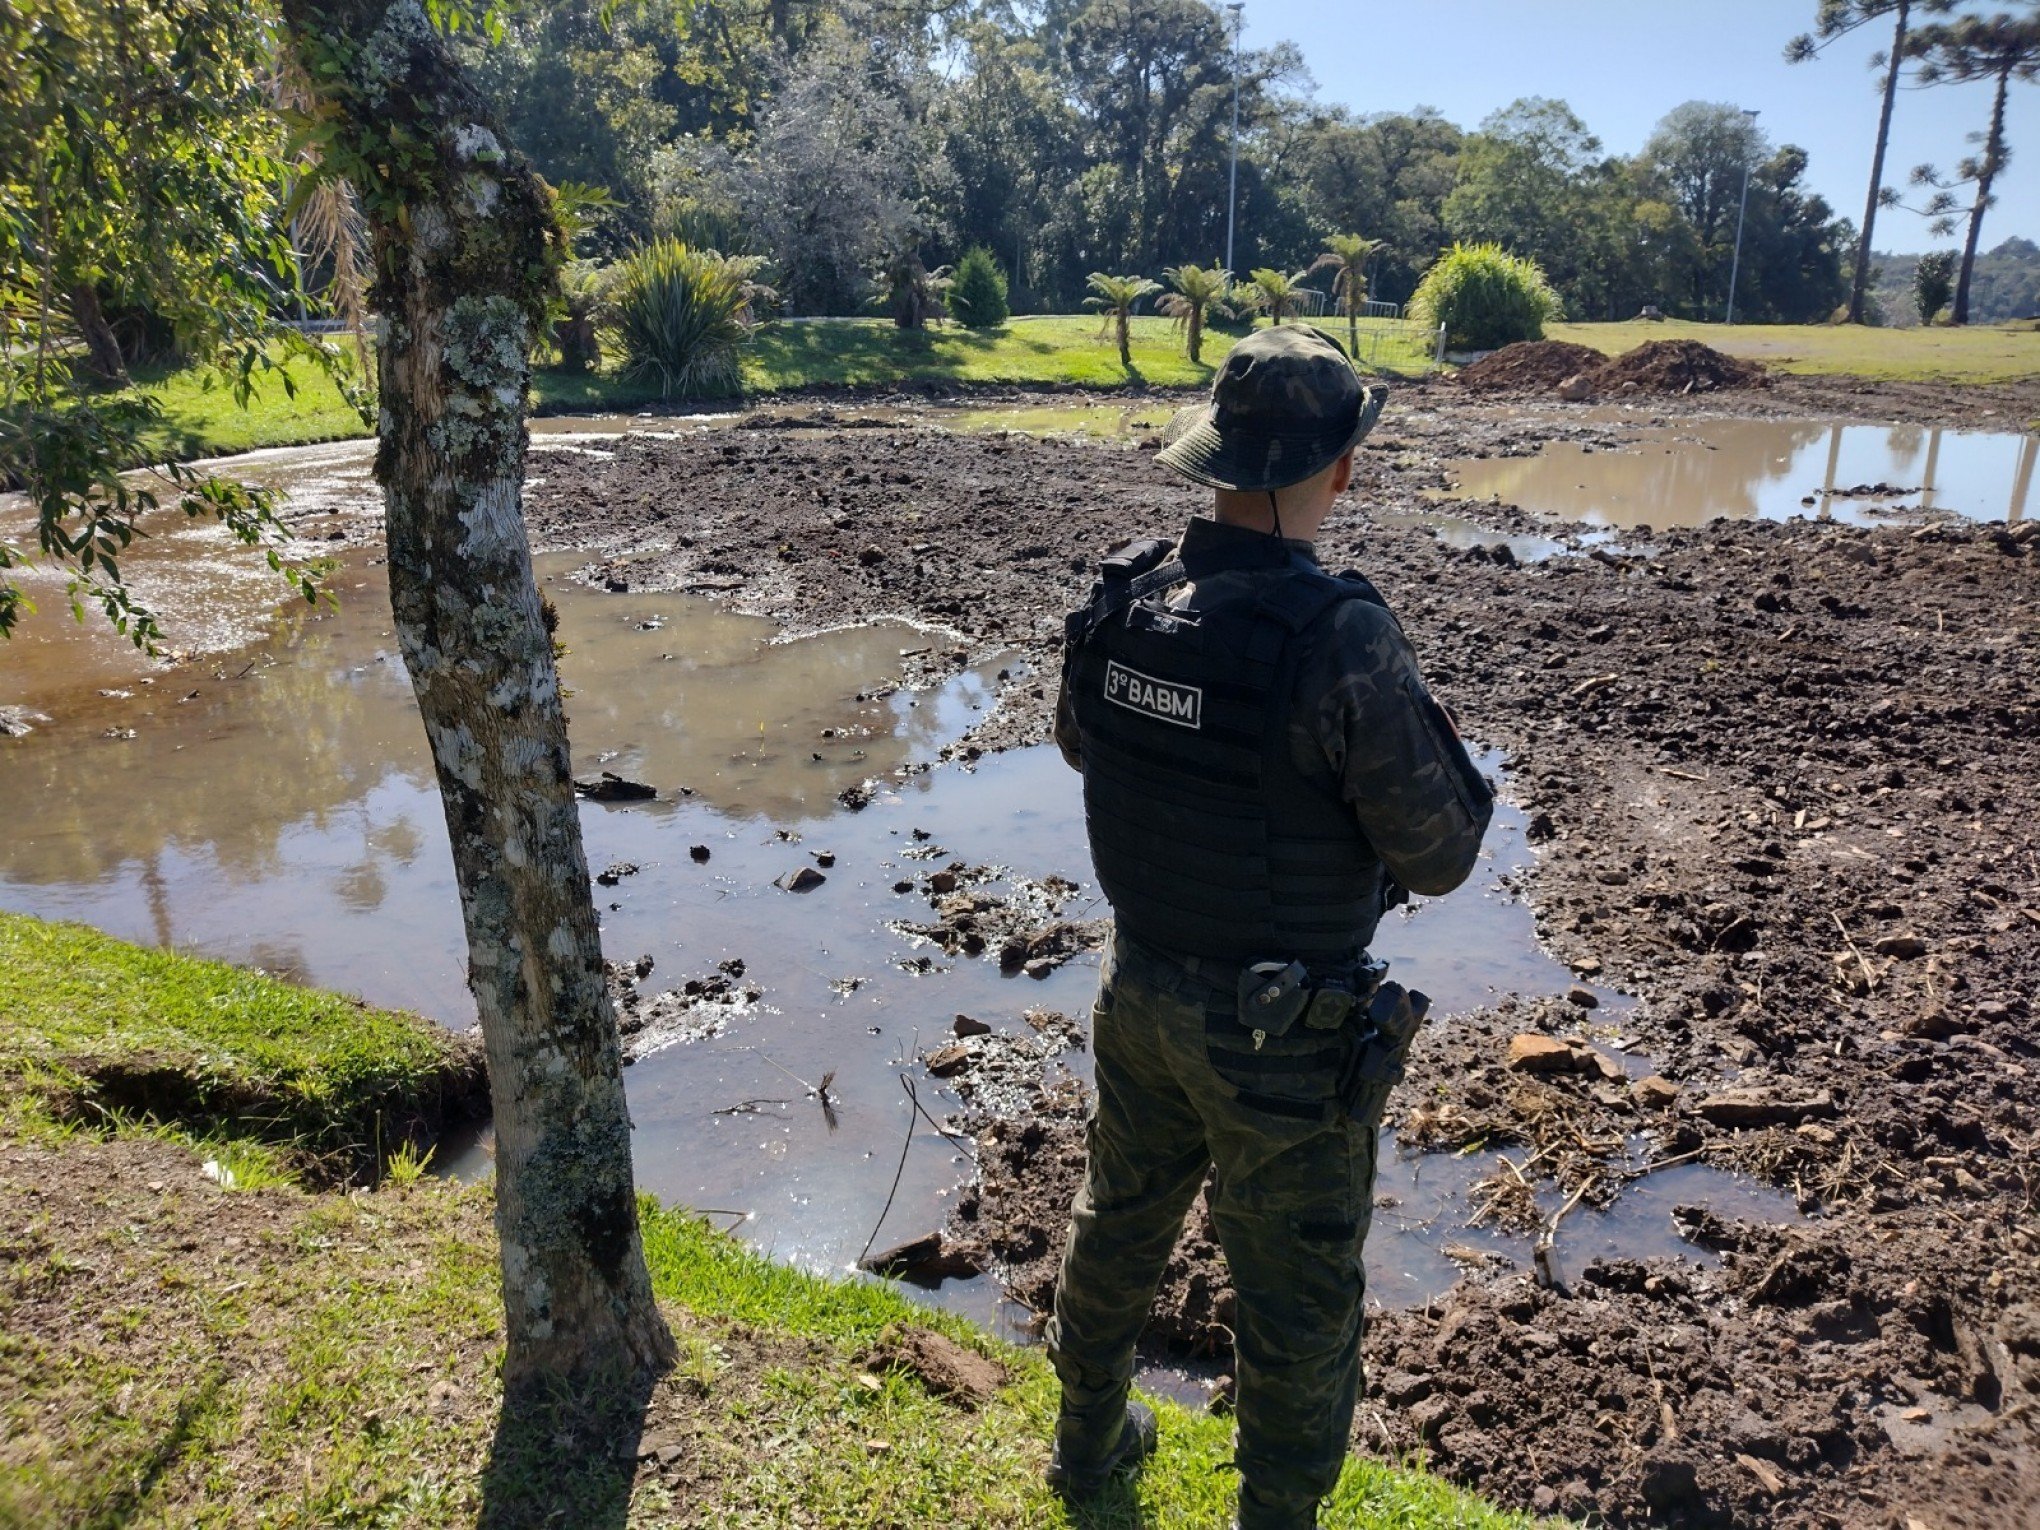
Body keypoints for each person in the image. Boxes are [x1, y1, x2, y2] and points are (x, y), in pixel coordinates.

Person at [1045, 325, 1494, 1529]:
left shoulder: (1127, 595)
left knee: (1117, 1221)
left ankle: (1086, 1449)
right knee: (1295, 1300)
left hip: (1137, 993)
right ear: (1339, 469)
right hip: (1282, 1042)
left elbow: (1082, 745)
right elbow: (1442, 853)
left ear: (1217, 457)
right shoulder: (1340, 636)